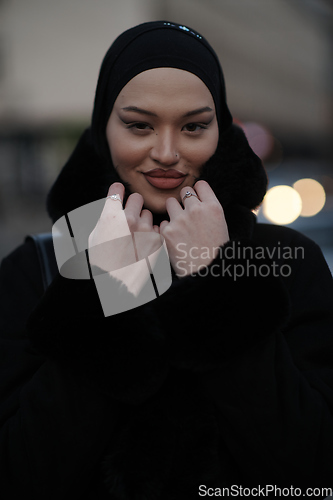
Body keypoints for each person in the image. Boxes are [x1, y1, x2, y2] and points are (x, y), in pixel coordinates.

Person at [1, 20, 333, 500]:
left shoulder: (287, 263)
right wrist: (108, 290)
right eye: (138, 125)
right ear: (102, 128)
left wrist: (217, 281)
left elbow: (314, 472)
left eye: (194, 126)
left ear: (221, 129)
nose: (166, 153)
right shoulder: (34, 270)